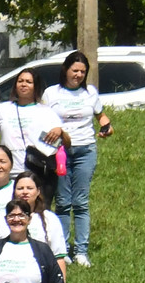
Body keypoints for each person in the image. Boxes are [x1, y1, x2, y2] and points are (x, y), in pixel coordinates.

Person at [44, 52, 112, 265]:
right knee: (63, 202)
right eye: (75, 70)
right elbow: (41, 118)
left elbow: (101, 116)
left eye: (83, 72)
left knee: (81, 202)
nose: (79, 75)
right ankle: (62, 249)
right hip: (60, 151)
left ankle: (81, 251)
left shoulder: (90, 93)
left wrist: (106, 127)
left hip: (85, 150)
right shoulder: (50, 93)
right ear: (66, 70)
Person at [0, 68, 67, 206]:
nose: (23, 84)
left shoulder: (46, 112)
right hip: (8, 173)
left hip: (36, 172)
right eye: (20, 81)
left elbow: (62, 144)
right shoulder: (2, 110)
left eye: (28, 82)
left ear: (36, 86)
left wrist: (60, 131)